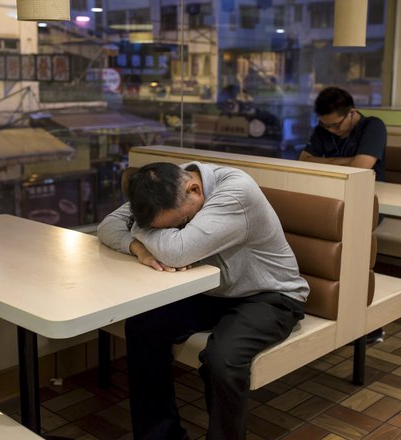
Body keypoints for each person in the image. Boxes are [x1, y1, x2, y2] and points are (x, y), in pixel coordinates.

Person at [97, 162, 309, 440]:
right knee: (142, 325)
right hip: (212, 291)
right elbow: (107, 226)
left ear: (195, 189)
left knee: (222, 359)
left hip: (270, 295)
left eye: (180, 224)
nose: (176, 230)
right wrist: (139, 248)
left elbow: (178, 251)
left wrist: (140, 230)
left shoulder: (235, 191)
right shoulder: (160, 187)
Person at [299, 86, 387, 344]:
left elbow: (362, 167)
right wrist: (347, 161)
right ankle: (327, 314)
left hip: (365, 204)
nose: (331, 131)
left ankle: (365, 324)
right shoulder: (324, 127)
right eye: (325, 127)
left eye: (336, 126)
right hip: (330, 201)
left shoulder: (373, 126)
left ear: (351, 113)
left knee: (346, 252)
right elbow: (304, 159)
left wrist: (324, 162)